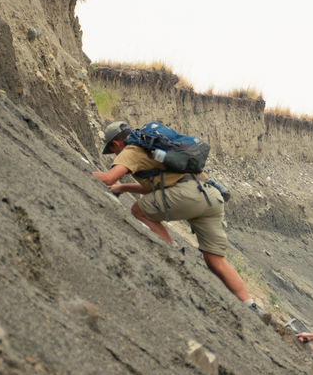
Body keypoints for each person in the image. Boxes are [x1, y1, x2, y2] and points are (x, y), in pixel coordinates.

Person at [92, 121, 265, 318]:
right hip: (211, 195)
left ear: (116, 143)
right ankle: (252, 307)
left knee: (138, 209)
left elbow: (108, 178)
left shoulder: (130, 150)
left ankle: (171, 251)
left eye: (112, 149)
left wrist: (83, 169)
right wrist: (123, 188)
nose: (114, 155)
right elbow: (154, 190)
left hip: (188, 196)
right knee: (216, 261)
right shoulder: (155, 150)